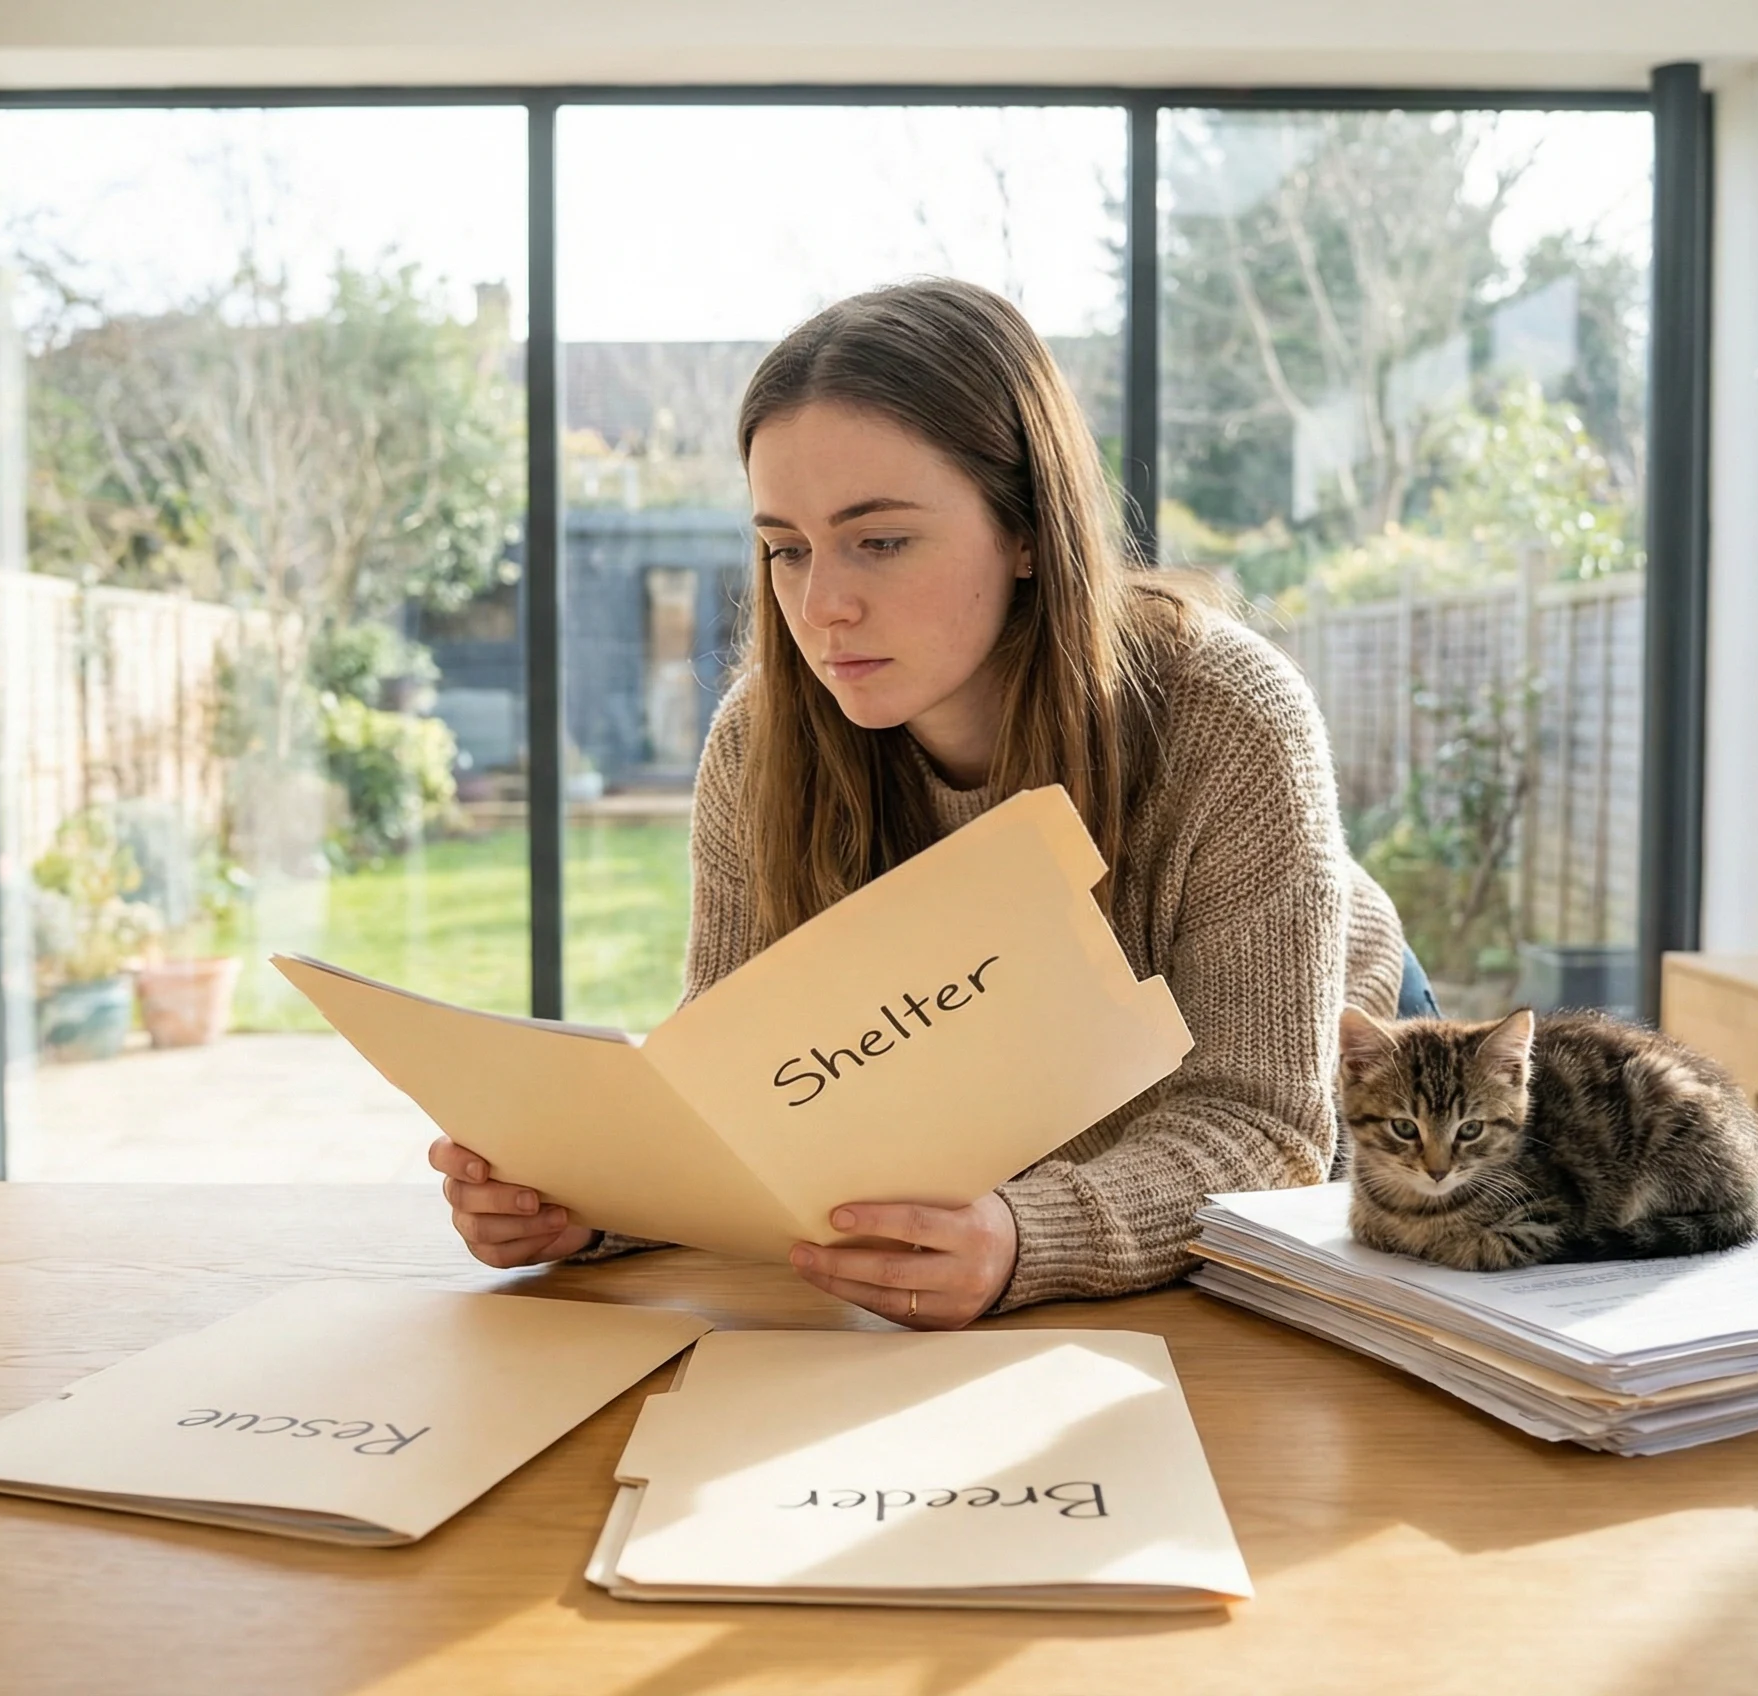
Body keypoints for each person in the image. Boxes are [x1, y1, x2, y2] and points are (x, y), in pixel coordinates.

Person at [430, 277, 1428, 1328]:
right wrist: (589, 1202)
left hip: (1353, 1094)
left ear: (1028, 531)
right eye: (785, 547)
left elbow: (1264, 1127)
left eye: (881, 540)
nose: (821, 605)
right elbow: (741, 1094)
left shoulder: (1229, 712)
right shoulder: (761, 738)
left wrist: (1022, 1240)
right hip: (1004, 1185)